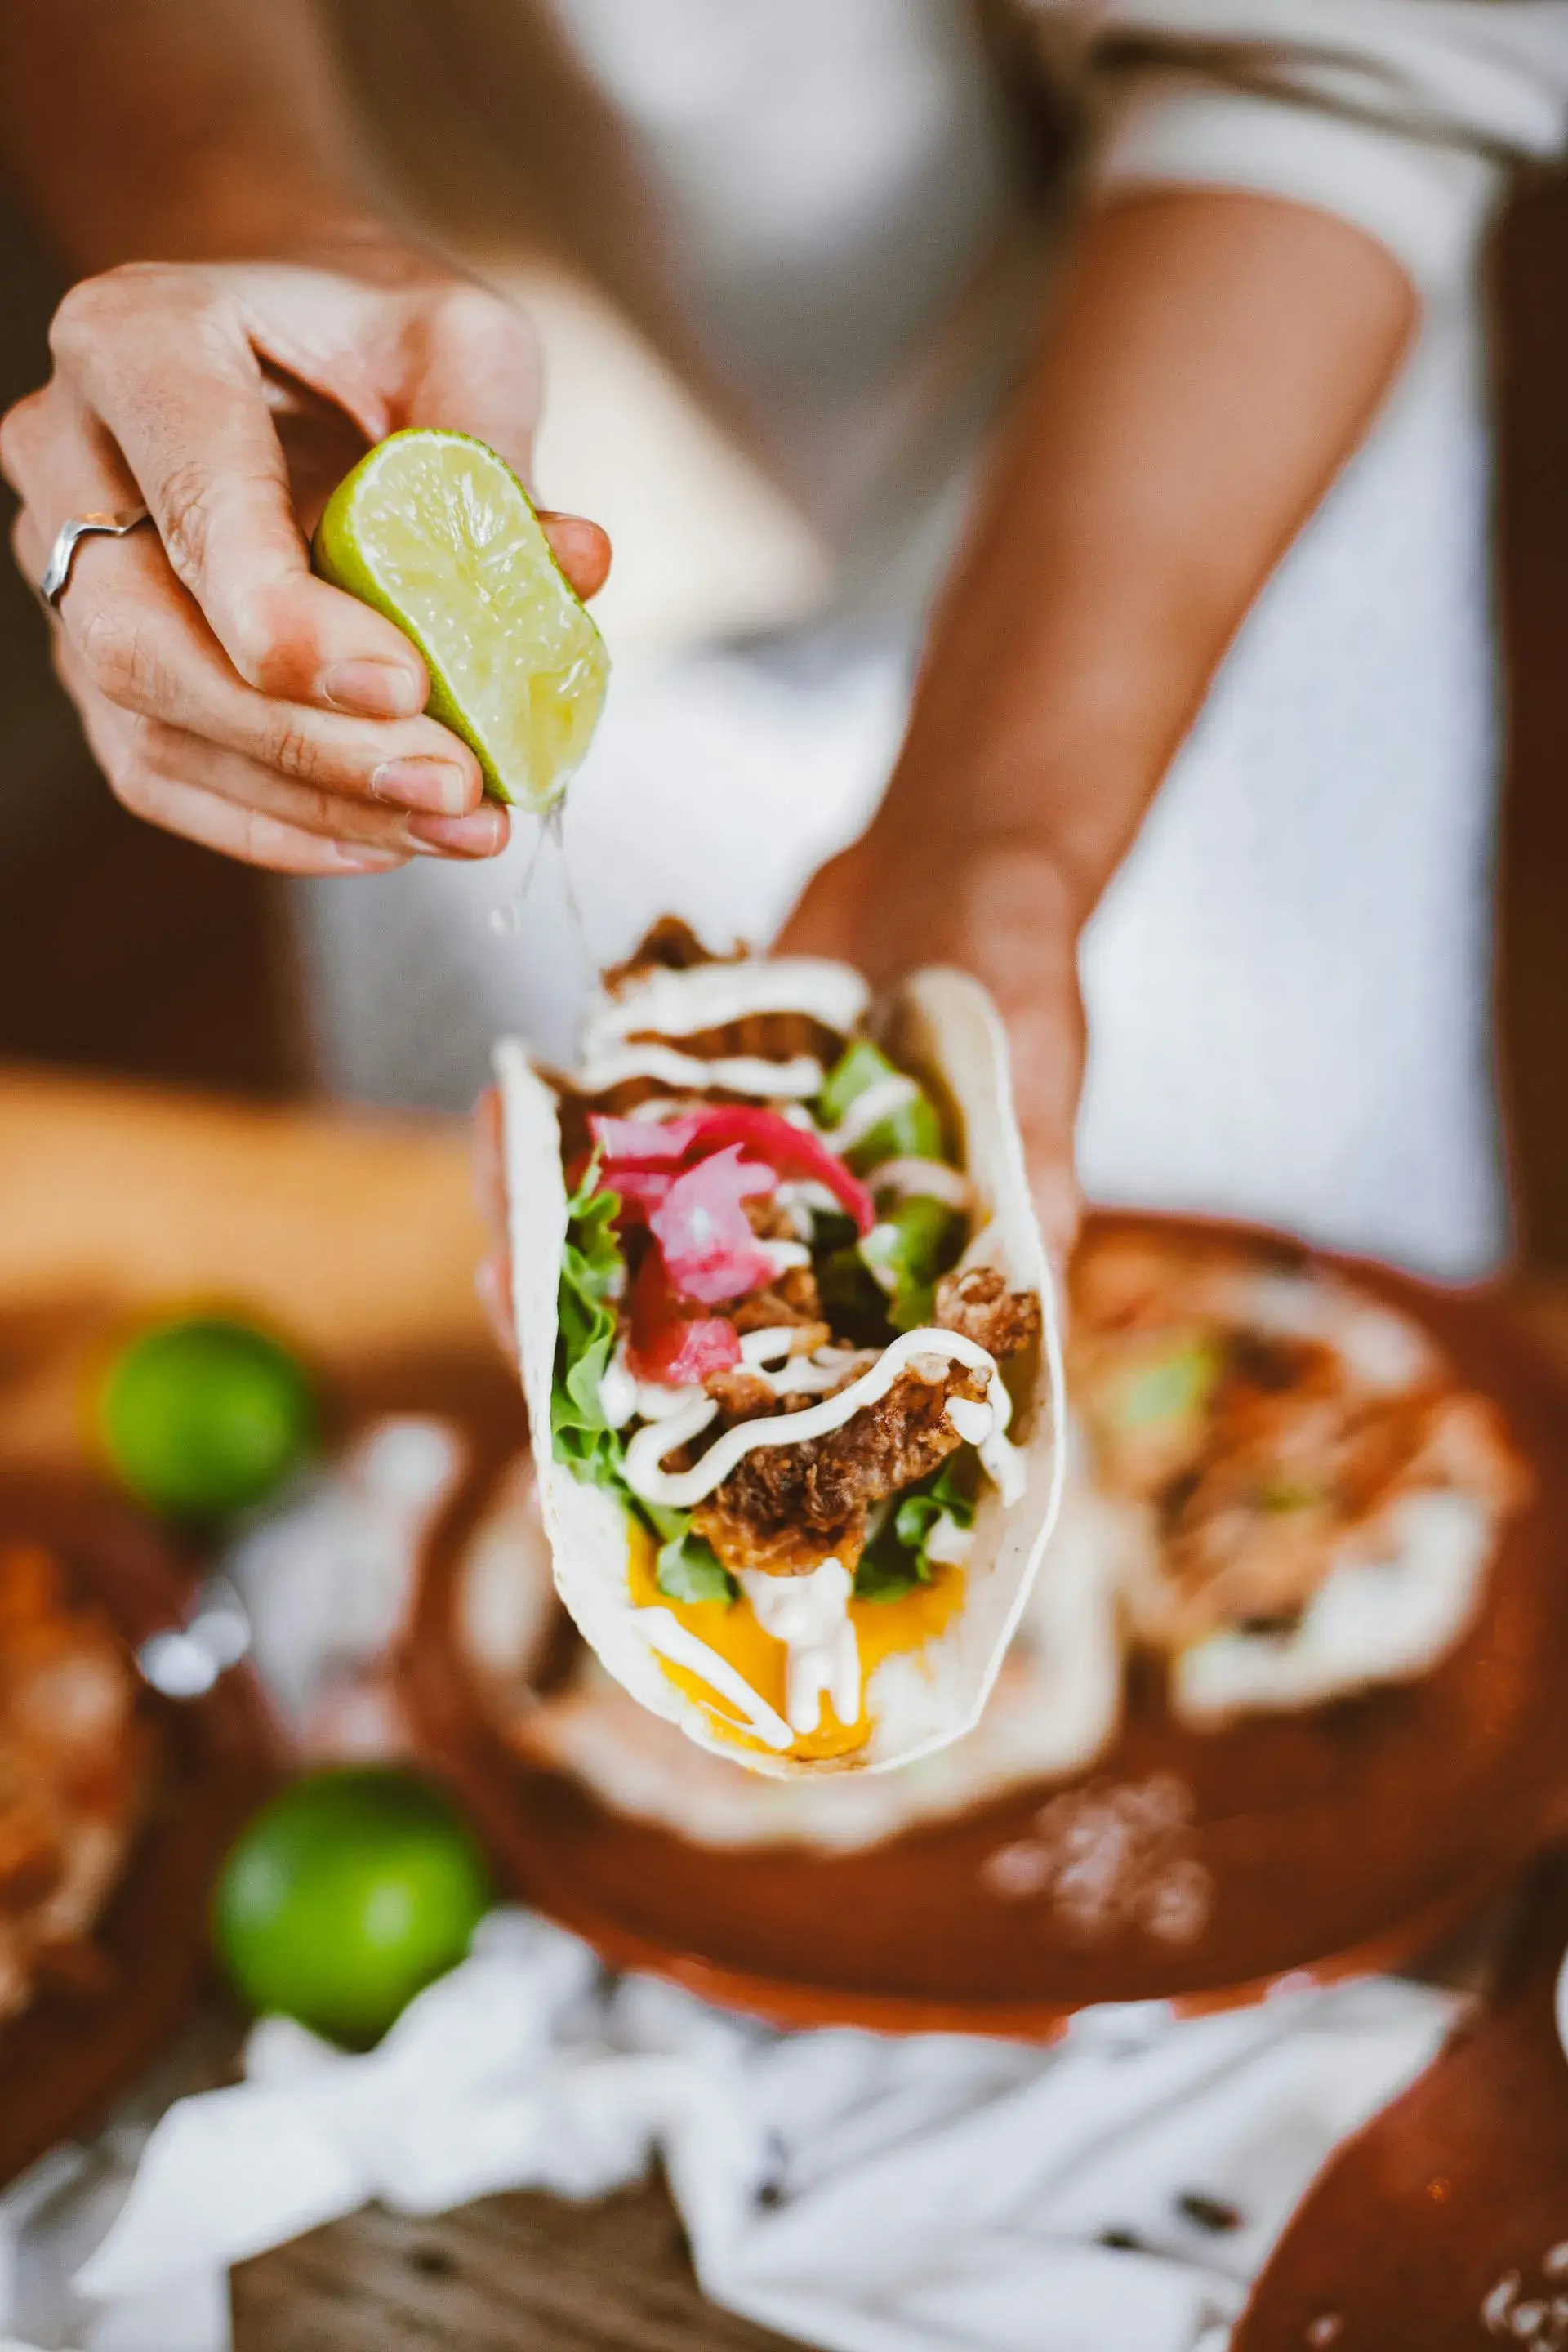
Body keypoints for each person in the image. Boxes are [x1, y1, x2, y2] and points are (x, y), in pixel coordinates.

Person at [2, 2, 1566, 1277]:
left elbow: (1343, 71)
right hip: (450, 524)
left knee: (1316, 1289)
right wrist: (232, 232)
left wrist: (996, 842)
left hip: (1199, 434)